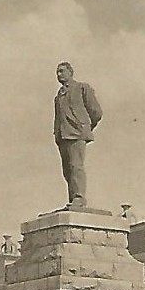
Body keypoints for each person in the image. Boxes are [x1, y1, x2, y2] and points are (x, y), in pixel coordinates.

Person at [53, 62, 102, 207]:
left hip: (77, 133)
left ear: (70, 72)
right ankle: (73, 199)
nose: (59, 75)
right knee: (67, 170)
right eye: (57, 72)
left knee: (76, 165)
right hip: (63, 135)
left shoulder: (82, 88)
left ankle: (79, 198)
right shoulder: (58, 96)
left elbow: (96, 112)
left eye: (62, 71)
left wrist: (85, 127)